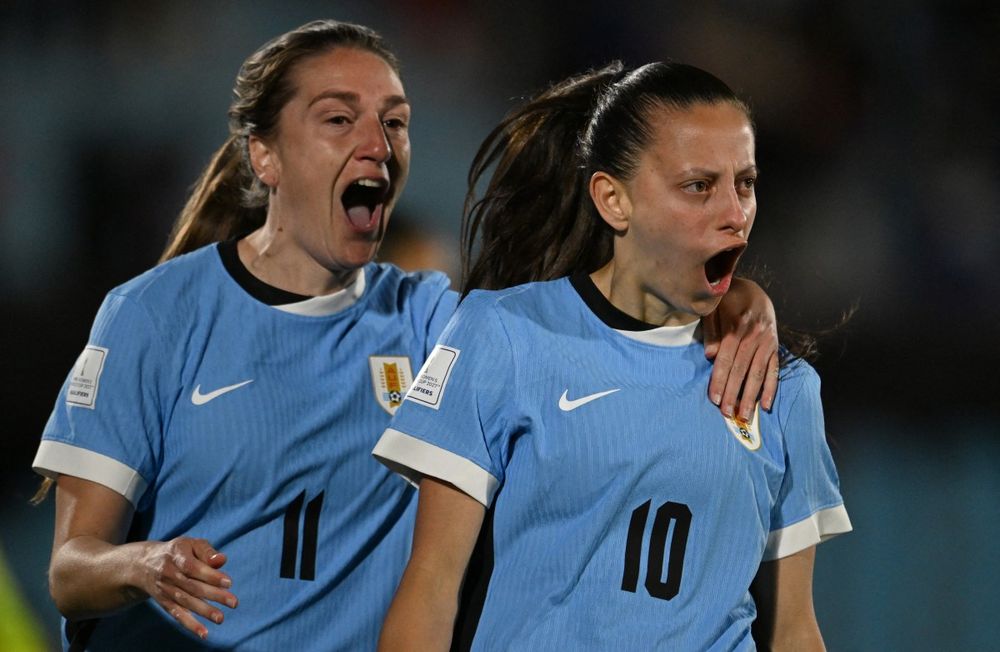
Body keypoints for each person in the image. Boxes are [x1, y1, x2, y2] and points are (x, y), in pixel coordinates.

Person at [31, 20, 781, 651]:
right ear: (265, 154)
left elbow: (593, 320)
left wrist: (733, 296)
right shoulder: (154, 316)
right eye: (338, 119)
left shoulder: (433, 323)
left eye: (394, 121)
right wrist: (145, 561)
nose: (378, 144)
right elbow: (70, 568)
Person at [374, 61, 852, 651]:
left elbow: (793, 629)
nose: (735, 214)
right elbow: (431, 587)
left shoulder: (783, 386)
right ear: (612, 200)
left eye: (746, 183)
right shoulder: (503, 334)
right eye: (698, 186)